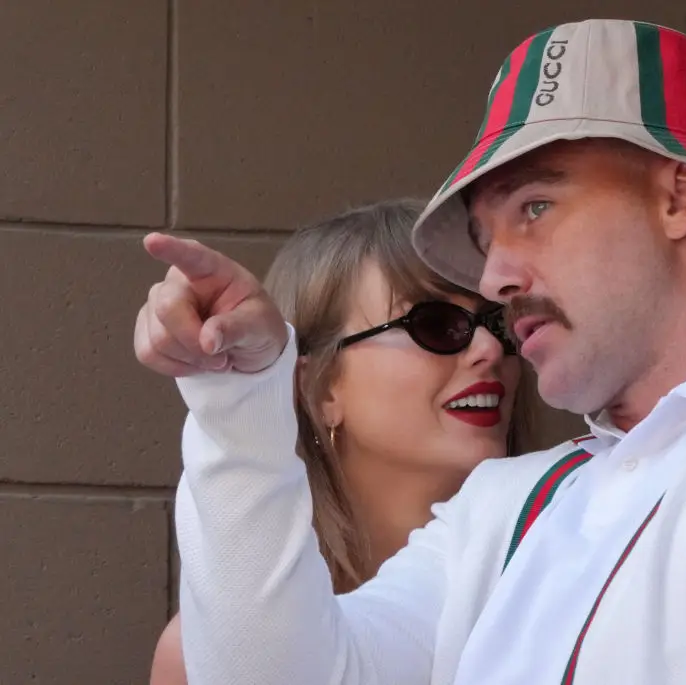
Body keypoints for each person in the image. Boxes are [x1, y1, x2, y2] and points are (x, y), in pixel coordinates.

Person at [134, 19, 686, 685]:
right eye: (485, 235)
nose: (499, 279)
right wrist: (242, 401)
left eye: (535, 209)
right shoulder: (518, 498)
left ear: (680, 194)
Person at [140, 199, 527, 684]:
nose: (489, 350)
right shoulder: (206, 650)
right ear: (318, 388)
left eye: (499, 325)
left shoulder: (561, 569)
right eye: (435, 325)